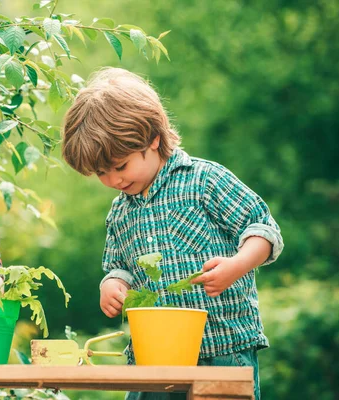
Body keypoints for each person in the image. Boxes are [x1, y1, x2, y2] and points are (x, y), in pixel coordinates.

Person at [62, 68, 284, 400]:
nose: (113, 181)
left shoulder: (204, 180)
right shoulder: (121, 212)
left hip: (222, 349)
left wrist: (238, 265)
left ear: (152, 138)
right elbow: (119, 267)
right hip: (152, 359)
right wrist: (112, 285)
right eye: (100, 173)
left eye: (120, 167)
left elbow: (264, 230)